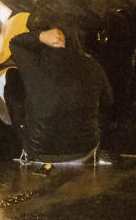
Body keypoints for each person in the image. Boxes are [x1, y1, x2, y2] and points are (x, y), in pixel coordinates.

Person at [7, 21, 112, 165]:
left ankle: (17, 149)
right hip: (85, 151)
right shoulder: (91, 64)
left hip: (40, 154)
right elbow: (108, 100)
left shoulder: (33, 63)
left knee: (12, 76)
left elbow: (15, 43)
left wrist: (40, 36)